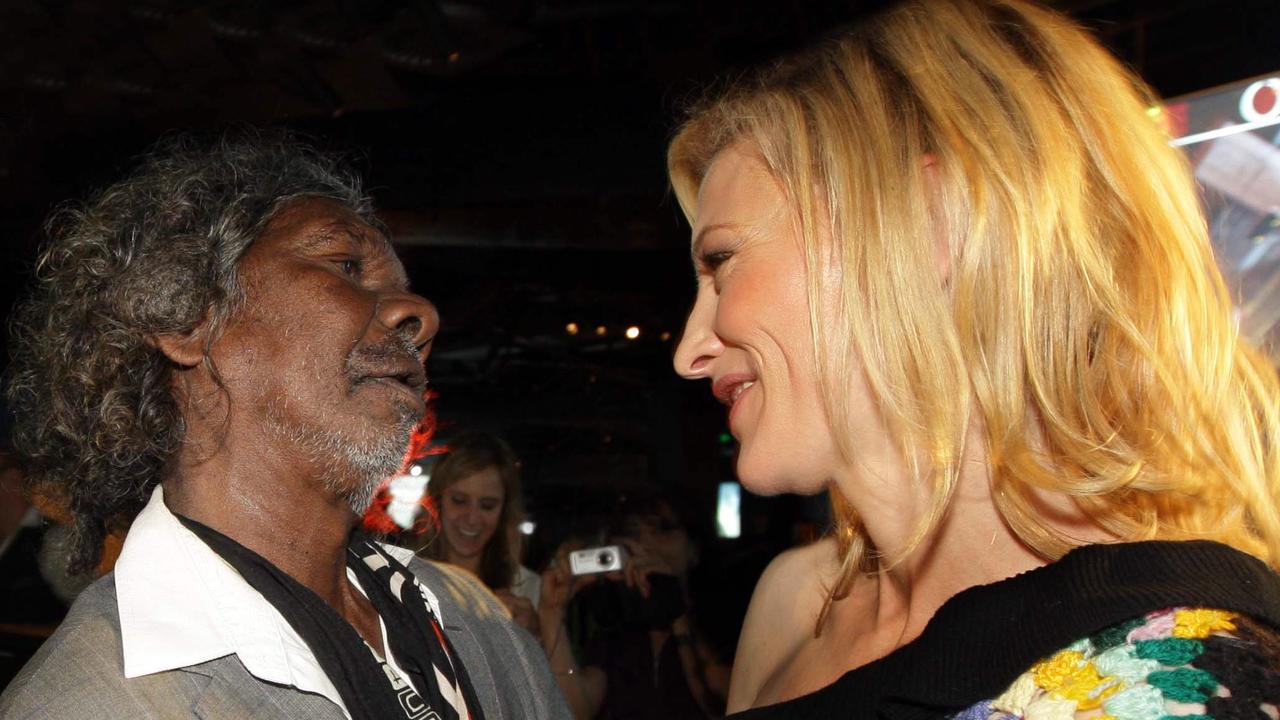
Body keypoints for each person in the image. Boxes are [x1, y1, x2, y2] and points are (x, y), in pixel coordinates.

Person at [667, 1, 1280, 718]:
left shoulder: (1170, 671)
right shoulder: (796, 602)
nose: (689, 351)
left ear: (933, 221)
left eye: (722, 262)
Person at [0, 131, 571, 719]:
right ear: (186, 316)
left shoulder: (478, 623)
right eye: (346, 264)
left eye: (404, 287)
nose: (418, 313)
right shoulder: (89, 703)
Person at [566, 489, 731, 719]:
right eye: (634, 533)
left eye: (662, 531)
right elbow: (576, 709)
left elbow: (726, 703)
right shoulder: (611, 633)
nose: (646, 546)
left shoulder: (727, 625)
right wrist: (552, 613)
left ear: (694, 549)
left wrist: (676, 611)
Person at [416, 431, 542, 633]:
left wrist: (533, 638)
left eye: (487, 505)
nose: (472, 518)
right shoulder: (404, 577)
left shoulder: (526, 588)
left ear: (504, 511)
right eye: (459, 501)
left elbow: (558, 664)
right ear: (437, 501)